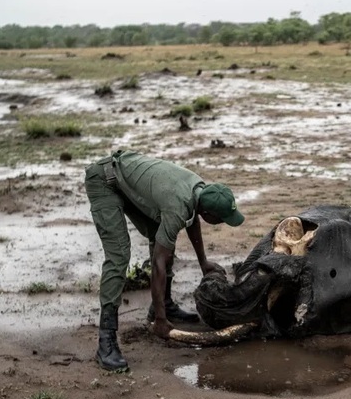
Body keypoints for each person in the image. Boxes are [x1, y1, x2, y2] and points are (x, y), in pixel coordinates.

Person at [84, 150, 245, 370]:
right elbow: (159, 264)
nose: (222, 222)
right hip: (104, 180)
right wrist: (160, 321)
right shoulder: (178, 204)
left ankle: (164, 304)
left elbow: (192, 220)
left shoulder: (199, 189)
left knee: (161, 235)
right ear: (208, 213)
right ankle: (106, 342)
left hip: (124, 179)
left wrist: (203, 262)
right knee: (119, 255)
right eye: (221, 219)